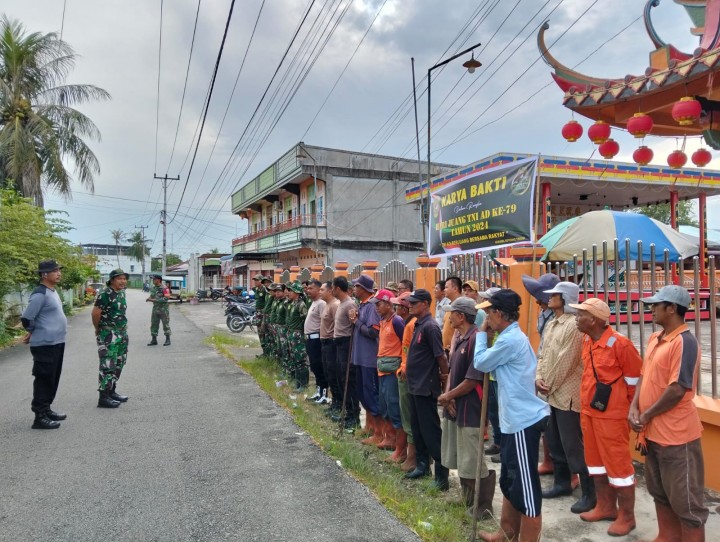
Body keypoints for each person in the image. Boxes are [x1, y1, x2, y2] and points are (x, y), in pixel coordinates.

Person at [630, 286, 708, 541]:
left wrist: (646, 413)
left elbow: (678, 389)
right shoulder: (656, 338)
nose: (651, 309)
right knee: (659, 491)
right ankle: (666, 537)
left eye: (656, 305)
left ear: (672, 308)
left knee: (687, 502)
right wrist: (635, 407)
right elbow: (644, 375)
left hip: (677, 436)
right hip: (652, 433)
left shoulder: (685, 342)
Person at [473, 289, 551, 542]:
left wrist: (482, 336)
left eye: (488, 313)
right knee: (510, 480)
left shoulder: (510, 340)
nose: (486, 318)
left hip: (522, 422)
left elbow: (482, 363)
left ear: (498, 313)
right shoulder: (507, 336)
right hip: (511, 421)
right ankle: (506, 532)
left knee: (526, 489)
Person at [568, 297, 643, 537]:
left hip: (612, 418)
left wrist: (629, 410)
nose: (576, 318)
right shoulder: (587, 341)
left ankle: (627, 517)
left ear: (595, 320)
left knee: (619, 468)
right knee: (595, 464)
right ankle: (606, 507)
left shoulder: (621, 345)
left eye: (581, 315)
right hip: (590, 414)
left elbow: (635, 382)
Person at [535, 282, 594, 513]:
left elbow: (566, 361)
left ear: (565, 298)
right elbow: (543, 354)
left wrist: (547, 384)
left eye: (555, 295)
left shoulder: (573, 325)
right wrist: (539, 377)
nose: (549, 299)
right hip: (551, 392)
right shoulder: (551, 322)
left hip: (568, 395)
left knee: (573, 445)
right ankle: (561, 483)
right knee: (554, 441)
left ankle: (590, 493)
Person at [437, 297, 495, 518]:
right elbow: (453, 372)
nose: (448, 316)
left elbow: (472, 380)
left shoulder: (474, 340)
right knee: (460, 455)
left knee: (472, 457)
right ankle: (467, 499)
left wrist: (448, 395)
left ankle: (483, 506)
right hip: (456, 406)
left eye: (451, 312)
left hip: (471, 408)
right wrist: (450, 396)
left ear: (461, 316)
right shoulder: (459, 337)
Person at [404, 288, 450, 492]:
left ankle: (442, 475)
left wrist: (445, 381)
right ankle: (422, 465)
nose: (410, 306)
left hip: (425, 386)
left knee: (431, 431)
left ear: (425, 304)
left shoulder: (431, 327)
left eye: (414, 303)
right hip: (414, 385)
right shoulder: (418, 324)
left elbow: (440, 357)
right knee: (418, 429)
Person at [20, 260, 68, 429]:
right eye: (55, 271)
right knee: (44, 379)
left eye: (58, 270)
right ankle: (39, 417)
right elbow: (27, 318)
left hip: (56, 342)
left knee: (53, 378)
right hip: (44, 345)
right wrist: (32, 331)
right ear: (44, 274)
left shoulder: (52, 291)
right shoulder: (40, 294)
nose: (59, 273)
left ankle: (46, 409)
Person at [522, 272, 561, 478]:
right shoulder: (543, 313)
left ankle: (567, 472)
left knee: (560, 428)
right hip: (543, 370)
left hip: (556, 377)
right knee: (546, 421)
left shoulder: (562, 317)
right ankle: (548, 460)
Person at [369, 289, 405, 456]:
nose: (377, 307)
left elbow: (405, 346)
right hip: (382, 370)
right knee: (384, 406)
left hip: (392, 372)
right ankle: (389, 439)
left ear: (390, 304)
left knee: (394, 407)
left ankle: (400, 448)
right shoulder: (383, 321)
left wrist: (402, 367)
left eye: (380, 304)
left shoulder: (397, 322)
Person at [93, 268, 131, 408]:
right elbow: (96, 313)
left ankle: (111, 391)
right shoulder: (105, 294)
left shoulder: (121, 293)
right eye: (119, 278)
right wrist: (98, 329)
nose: (123, 281)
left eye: (124, 278)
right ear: (112, 280)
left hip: (121, 333)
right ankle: (103, 397)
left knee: (119, 362)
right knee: (108, 364)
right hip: (108, 334)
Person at [350, 275, 381, 439]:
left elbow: (373, 332)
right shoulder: (361, 306)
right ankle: (369, 427)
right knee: (363, 394)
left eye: (356, 287)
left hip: (369, 359)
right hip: (359, 357)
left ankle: (379, 432)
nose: (353, 289)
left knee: (371, 394)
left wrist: (357, 322)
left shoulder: (371, 307)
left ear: (362, 289)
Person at [392, 291, 417, 472]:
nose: (396, 308)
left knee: (408, 417)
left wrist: (404, 369)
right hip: (404, 372)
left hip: (408, 374)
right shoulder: (409, 323)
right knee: (405, 415)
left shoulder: (411, 325)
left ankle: (412, 457)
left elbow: (409, 351)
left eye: (398, 305)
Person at [477, 287, 502, 458]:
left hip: (499, 376)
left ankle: (504, 446)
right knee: (492, 412)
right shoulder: (488, 320)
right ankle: (498, 442)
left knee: (501, 413)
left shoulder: (499, 326)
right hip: (491, 374)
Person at [332, 276, 359, 430]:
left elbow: (353, 327)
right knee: (341, 379)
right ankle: (347, 412)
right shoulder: (342, 303)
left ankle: (353, 414)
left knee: (348, 380)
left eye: (332, 288)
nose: (331, 290)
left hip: (346, 344)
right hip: (339, 344)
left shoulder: (350, 304)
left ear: (337, 288)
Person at [304, 279, 327, 401]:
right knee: (314, 367)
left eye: (311, 288)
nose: (308, 290)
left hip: (317, 340)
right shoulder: (313, 303)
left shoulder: (321, 304)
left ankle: (324, 394)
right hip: (310, 340)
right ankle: (318, 391)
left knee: (319, 366)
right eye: (307, 288)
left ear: (319, 290)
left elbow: (324, 323)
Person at [285, 282, 309, 391]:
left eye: (291, 291)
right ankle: (298, 382)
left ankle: (304, 384)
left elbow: (306, 319)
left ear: (297, 293)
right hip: (291, 334)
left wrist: (303, 333)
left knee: (301, 361)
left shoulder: (301, 304)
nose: (289, 293)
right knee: (294, 359)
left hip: (298, 335)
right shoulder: (292, 303)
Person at [319, 281, 339, 408]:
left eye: (322, 290)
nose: (320, 292)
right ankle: (334, 401)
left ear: (330, 291)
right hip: (324, 343)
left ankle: (338, 403)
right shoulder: (327, 304)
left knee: (333, 374)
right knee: (327, 373)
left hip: (331, 343)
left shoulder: (335, 305)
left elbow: (338, 325)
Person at [145, 274, 171, 346]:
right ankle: (154, 340)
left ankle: (168, 340)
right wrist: (149, 298)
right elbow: (152, 295)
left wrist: (153, 300)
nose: (153, 280)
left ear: (159, 280)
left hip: (164, 310)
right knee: (154, 324)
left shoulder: (165, 288)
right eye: (153, 279)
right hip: (155, 309)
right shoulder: (153, 288)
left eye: (154, 279)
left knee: (165, 324)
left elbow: (166, 298)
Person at [441, 276, 463, 352]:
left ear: (455, 289)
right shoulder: (449, 307)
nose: (444, 290)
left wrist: (453, 348)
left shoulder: (461, 307)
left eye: (446, 287)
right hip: (447, 350)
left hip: (456, 350)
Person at [252, 275, 271, 358]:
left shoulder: (264, 290)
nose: (255, 281)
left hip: (263, 314)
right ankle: (264, 352)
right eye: (255, 280)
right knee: (260, 333)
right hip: (258, 313)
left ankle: (267, 353)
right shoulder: (257, 289)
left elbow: (267, 302)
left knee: (264, 333)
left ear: (260, 281)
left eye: (257, 280)